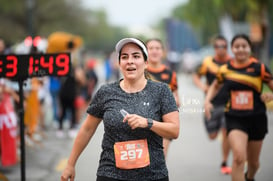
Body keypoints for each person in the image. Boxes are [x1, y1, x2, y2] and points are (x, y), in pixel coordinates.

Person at [61, 38, 180, 181]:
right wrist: (70, 164)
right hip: (111, 173)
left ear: (146, 62)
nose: (130, 61)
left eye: (136, 56)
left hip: (152, 175)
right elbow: (87, 129)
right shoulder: (106, 92)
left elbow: (174, 130)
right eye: (124, 57)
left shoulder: (161, 91)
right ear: (119, 63)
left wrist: (148, 123)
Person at [204, 34, 273, 181]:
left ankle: (250, 176)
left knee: (253, 163)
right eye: (237, 46)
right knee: (239, 158)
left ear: (250, 48)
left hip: (257, 118)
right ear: (232, 49)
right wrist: (208, 100)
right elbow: (215, 86)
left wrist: (270, 96)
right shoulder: (225, 69)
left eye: (244, 46)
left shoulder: (259, 68)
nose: (240, 49)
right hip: (234, 117)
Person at [192, 35, 232, 174]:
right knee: (212, 136)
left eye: (224, 46)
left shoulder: (232, 63)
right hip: (211, 104)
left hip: (229, 103)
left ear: (227, 48)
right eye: (218, 46)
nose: (221, 49)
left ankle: (225, 162)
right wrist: (203, 87)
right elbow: (196, 76)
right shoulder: (208, 63)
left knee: (226, 130)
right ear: (214, 48)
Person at [146, 38, 180, 157]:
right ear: (145, 52)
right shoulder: (140, 72)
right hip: (143, 120)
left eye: (158, 48)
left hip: (164, 121)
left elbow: (176, 97)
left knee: (160, 158)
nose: (154, 51)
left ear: (163, 52)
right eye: (151, 48)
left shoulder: (170, 74)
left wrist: (174, 101)